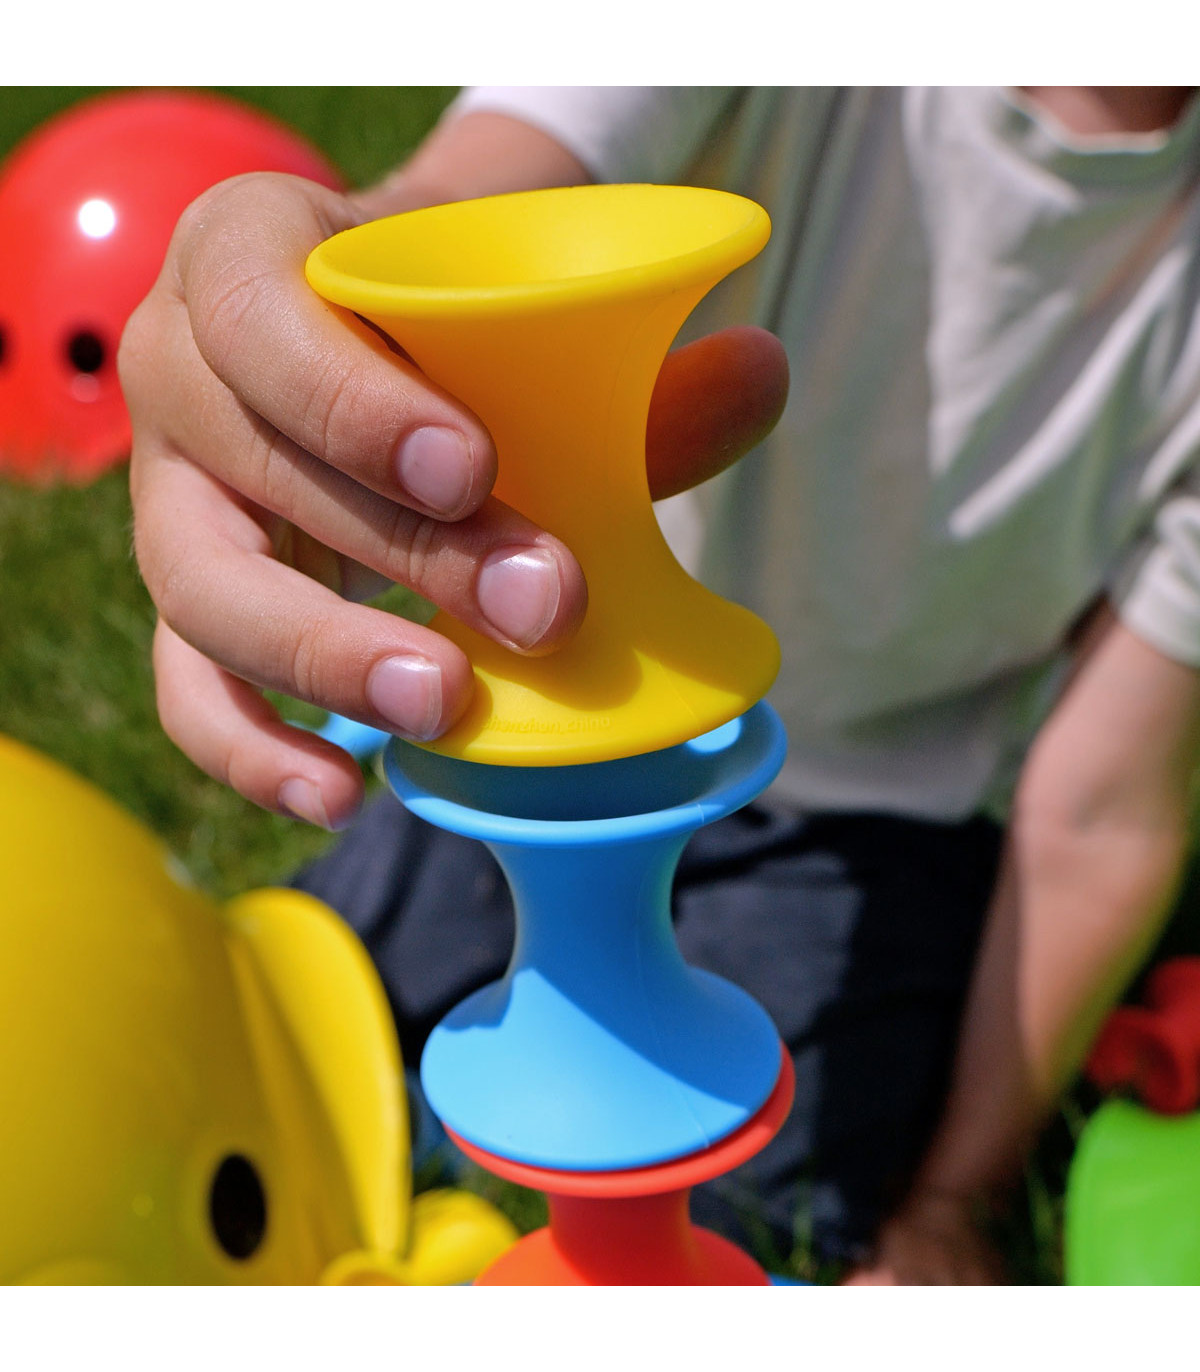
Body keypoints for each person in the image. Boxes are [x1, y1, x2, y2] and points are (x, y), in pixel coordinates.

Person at [121, 87, 1200, 1283]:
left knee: (729, 1175)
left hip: (874, 833)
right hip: (543, 721)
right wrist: (307, 308)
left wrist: (954, 1193)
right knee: (299, 999)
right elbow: (466, 202)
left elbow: (1099, 817)